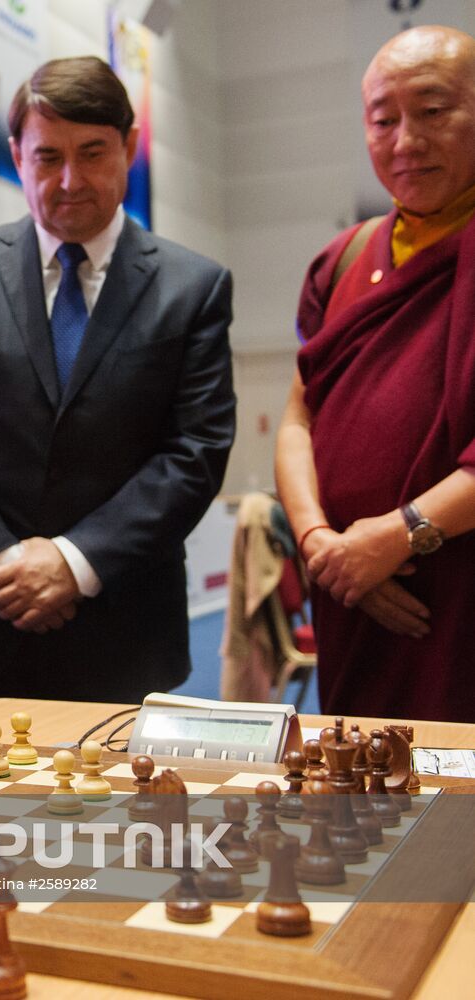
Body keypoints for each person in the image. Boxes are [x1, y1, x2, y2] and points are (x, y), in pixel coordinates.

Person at [0, 56, 235, 705]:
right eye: (47, 157)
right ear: (16, 156)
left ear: (129, 149)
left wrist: (73, 564)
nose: (71, 180)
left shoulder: (193, 289)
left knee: (119, 812)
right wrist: (0, 563)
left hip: (120, 631)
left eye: (92, 153)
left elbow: (195, 453)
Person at [275, 26, 475, 723]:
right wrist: (321, 546)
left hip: (452, 592)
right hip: (352, 594)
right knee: (362, 804)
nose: (405, 140)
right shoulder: (342, 259)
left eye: (433, 111)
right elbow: (300, 418)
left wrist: (398, 537)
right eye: (383, 119)